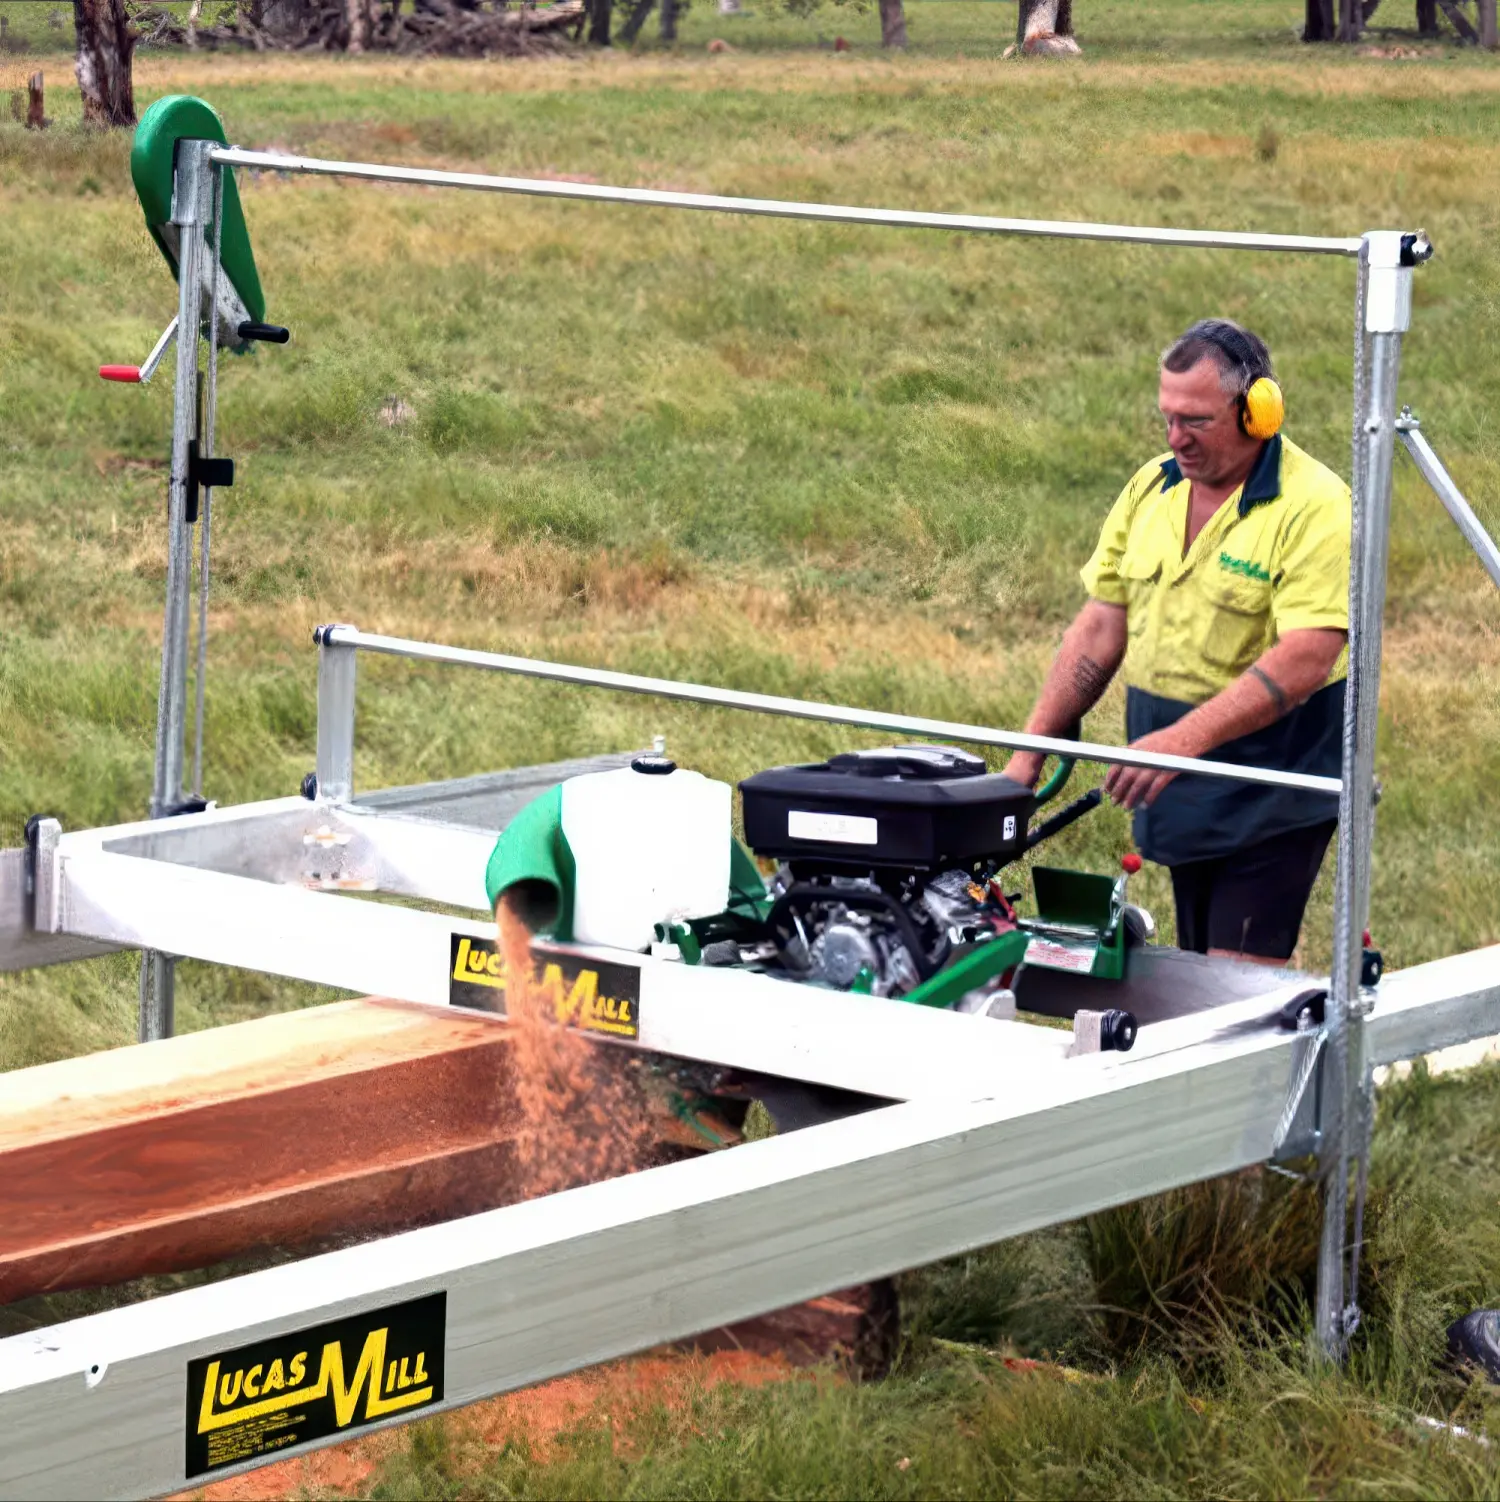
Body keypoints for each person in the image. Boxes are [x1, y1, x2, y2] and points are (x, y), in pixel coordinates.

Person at [1002, 320, 1350, 966]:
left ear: (1258, 412)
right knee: (1201, 968)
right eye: (1166, 418)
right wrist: (1028, 758)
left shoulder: (1316, 505)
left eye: (1195, 420)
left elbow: (1309, 655)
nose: (1174, 438)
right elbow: (1101, 625)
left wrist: (1182, 743)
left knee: (1231, 987)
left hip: (1271, 781)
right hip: (1176, 784)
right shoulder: (1151, 488)